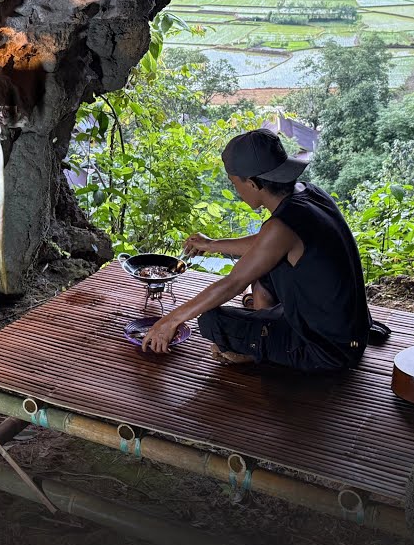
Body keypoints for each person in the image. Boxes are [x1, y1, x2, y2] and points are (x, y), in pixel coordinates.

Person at [140, 128, 387, 371]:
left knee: (211, 321)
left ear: (253, 183)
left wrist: (169, 321)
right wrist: (212, 245)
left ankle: (266, 351)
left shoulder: (281, 227)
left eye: (235, 183)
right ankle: (267, 331)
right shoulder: (309, 193)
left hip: (328, 349)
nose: (237, 191)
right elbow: (265, 245)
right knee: (263, 275)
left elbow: (231, 283)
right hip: (350, 330)